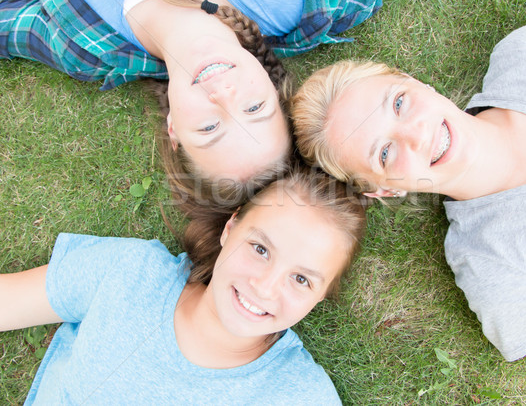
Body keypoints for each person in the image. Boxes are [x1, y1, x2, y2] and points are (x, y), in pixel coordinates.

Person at [289, 10, 526, 385]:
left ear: (418, 83)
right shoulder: (494, 270)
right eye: (385, 153)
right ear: (386, 189)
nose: (416, 135)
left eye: (399, 103)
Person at [0, 0, 383, 203]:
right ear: (269, 81)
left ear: (174, 129)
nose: (223, 95)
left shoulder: (85, 47)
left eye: (210, 127)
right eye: (254, 109)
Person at [0, 165, 367, 403]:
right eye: (260, 249)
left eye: (301, 279)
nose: (265, 287)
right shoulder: (130, 272)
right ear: (230, 227)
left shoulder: (301, 396)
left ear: (319, 298)